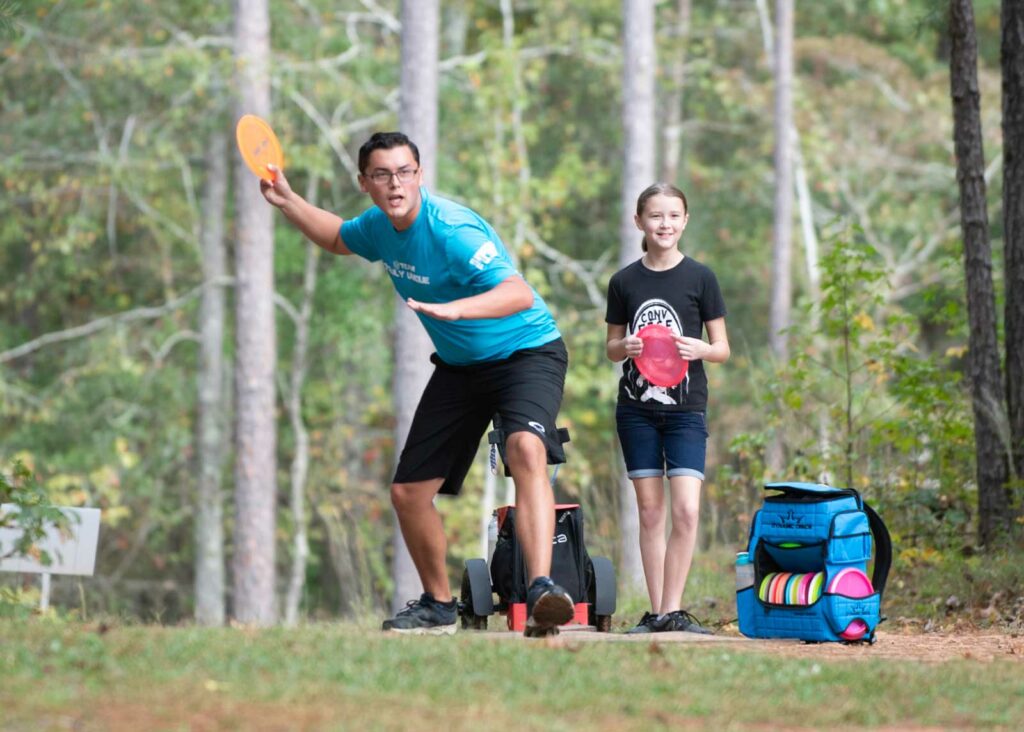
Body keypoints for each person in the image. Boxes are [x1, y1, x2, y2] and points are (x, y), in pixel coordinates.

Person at [259, 131, 574, 637]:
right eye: (382, 174)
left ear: (420, 175)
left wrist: (456, 309)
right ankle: (438, 605)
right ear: (365, 183)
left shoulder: (451, 231)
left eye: (405, 171)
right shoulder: (380, 228)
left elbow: (516, 292)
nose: (394, 183)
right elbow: (340, 237)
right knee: (407, 493)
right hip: (460, 366)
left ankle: (540, 590)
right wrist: (289, 202)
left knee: (525, 449)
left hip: (526, 353)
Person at [605, 183, 730, 634]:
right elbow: (611, 349)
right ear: (638, 221)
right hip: (636, 410)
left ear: (685, 221)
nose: (665, 224)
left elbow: (723, 349)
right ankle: (657, 614)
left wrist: (701, 348)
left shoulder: (701, 278)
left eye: (674, 215)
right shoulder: (624, 282)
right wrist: (626, 345)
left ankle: (674, 610)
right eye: (656, 216)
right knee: (651, 513)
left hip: (686, 411)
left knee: (687, 511)